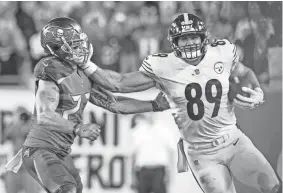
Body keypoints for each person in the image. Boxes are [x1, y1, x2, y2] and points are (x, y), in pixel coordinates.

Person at [77, 13, 280, 193]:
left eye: (193, 36)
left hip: (234, 139)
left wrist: (257, 90)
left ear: (203, 38)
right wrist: (86, 64)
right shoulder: (163, 66)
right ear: (174, 42)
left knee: (273, 186)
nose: (189, 42)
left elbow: (245, 73)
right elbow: (118, 84)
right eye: (183, 38)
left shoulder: (222, 53)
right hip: (202, 153)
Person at [5, 17, 170, 193]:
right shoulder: (50, 68)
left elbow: (115, 103)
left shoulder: (83, 74)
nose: (81, 48)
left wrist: (153, 105)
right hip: (40, 149)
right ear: (57, 48)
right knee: (67, 189)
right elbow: (45, 115)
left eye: (80, 42)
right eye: (74, 44)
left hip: (60, 152)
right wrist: (78, 128)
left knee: (75, 188)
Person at [130, 113, 175, 193]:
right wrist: (132, 176)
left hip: (159, 171)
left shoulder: (164, 129)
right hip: (142, 172)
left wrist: (170, 173)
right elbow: (133, 155)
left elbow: (171, 151)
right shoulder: (138, 130)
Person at [2, 106, 40, 193]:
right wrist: (16, 122)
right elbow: (5, 136)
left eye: (24, 115)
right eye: (20, 115)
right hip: (14, 168)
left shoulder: (31, 126)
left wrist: (30, 120)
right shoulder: (12, 127)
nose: (23, 118)